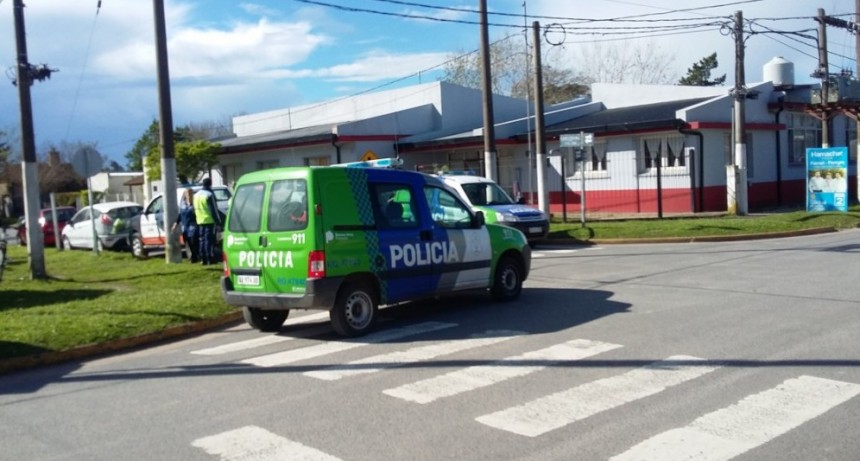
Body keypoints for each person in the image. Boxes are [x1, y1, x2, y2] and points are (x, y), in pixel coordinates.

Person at [193, 178, 222, 265]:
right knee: (209, 240)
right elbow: (214, 210)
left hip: (200, 220)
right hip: (209, 220)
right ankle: (210, 257)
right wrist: (218, 221)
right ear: (210, 184)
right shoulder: (209, 194)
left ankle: (203, 258)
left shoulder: (196, 195)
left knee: (202, 240)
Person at [172, 188, 199, 263]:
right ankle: (191, 256)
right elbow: (180, 215)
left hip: (193, 226)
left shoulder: (195, 204)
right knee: (187, 242)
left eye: (190, 194)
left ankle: (194, 257)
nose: (188, 196)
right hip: (185, 226)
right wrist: (176, 224)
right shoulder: (183, 204)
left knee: (193, 242)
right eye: (187, 194)